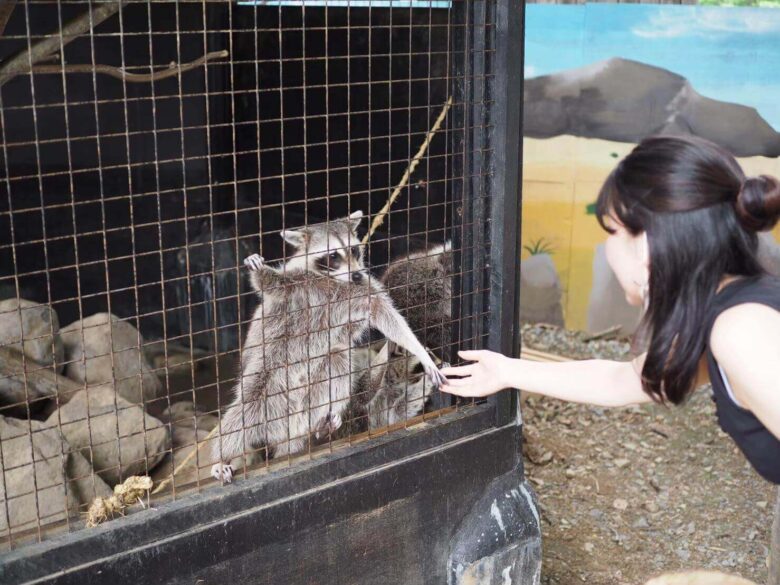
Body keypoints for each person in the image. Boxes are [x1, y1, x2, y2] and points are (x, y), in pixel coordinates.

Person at [439, 135, 780, 583]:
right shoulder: (723, 305)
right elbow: (625, 381)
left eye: (612, 232)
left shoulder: (742, 330)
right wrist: (505, 370)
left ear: (647, 243)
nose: (608, 248)